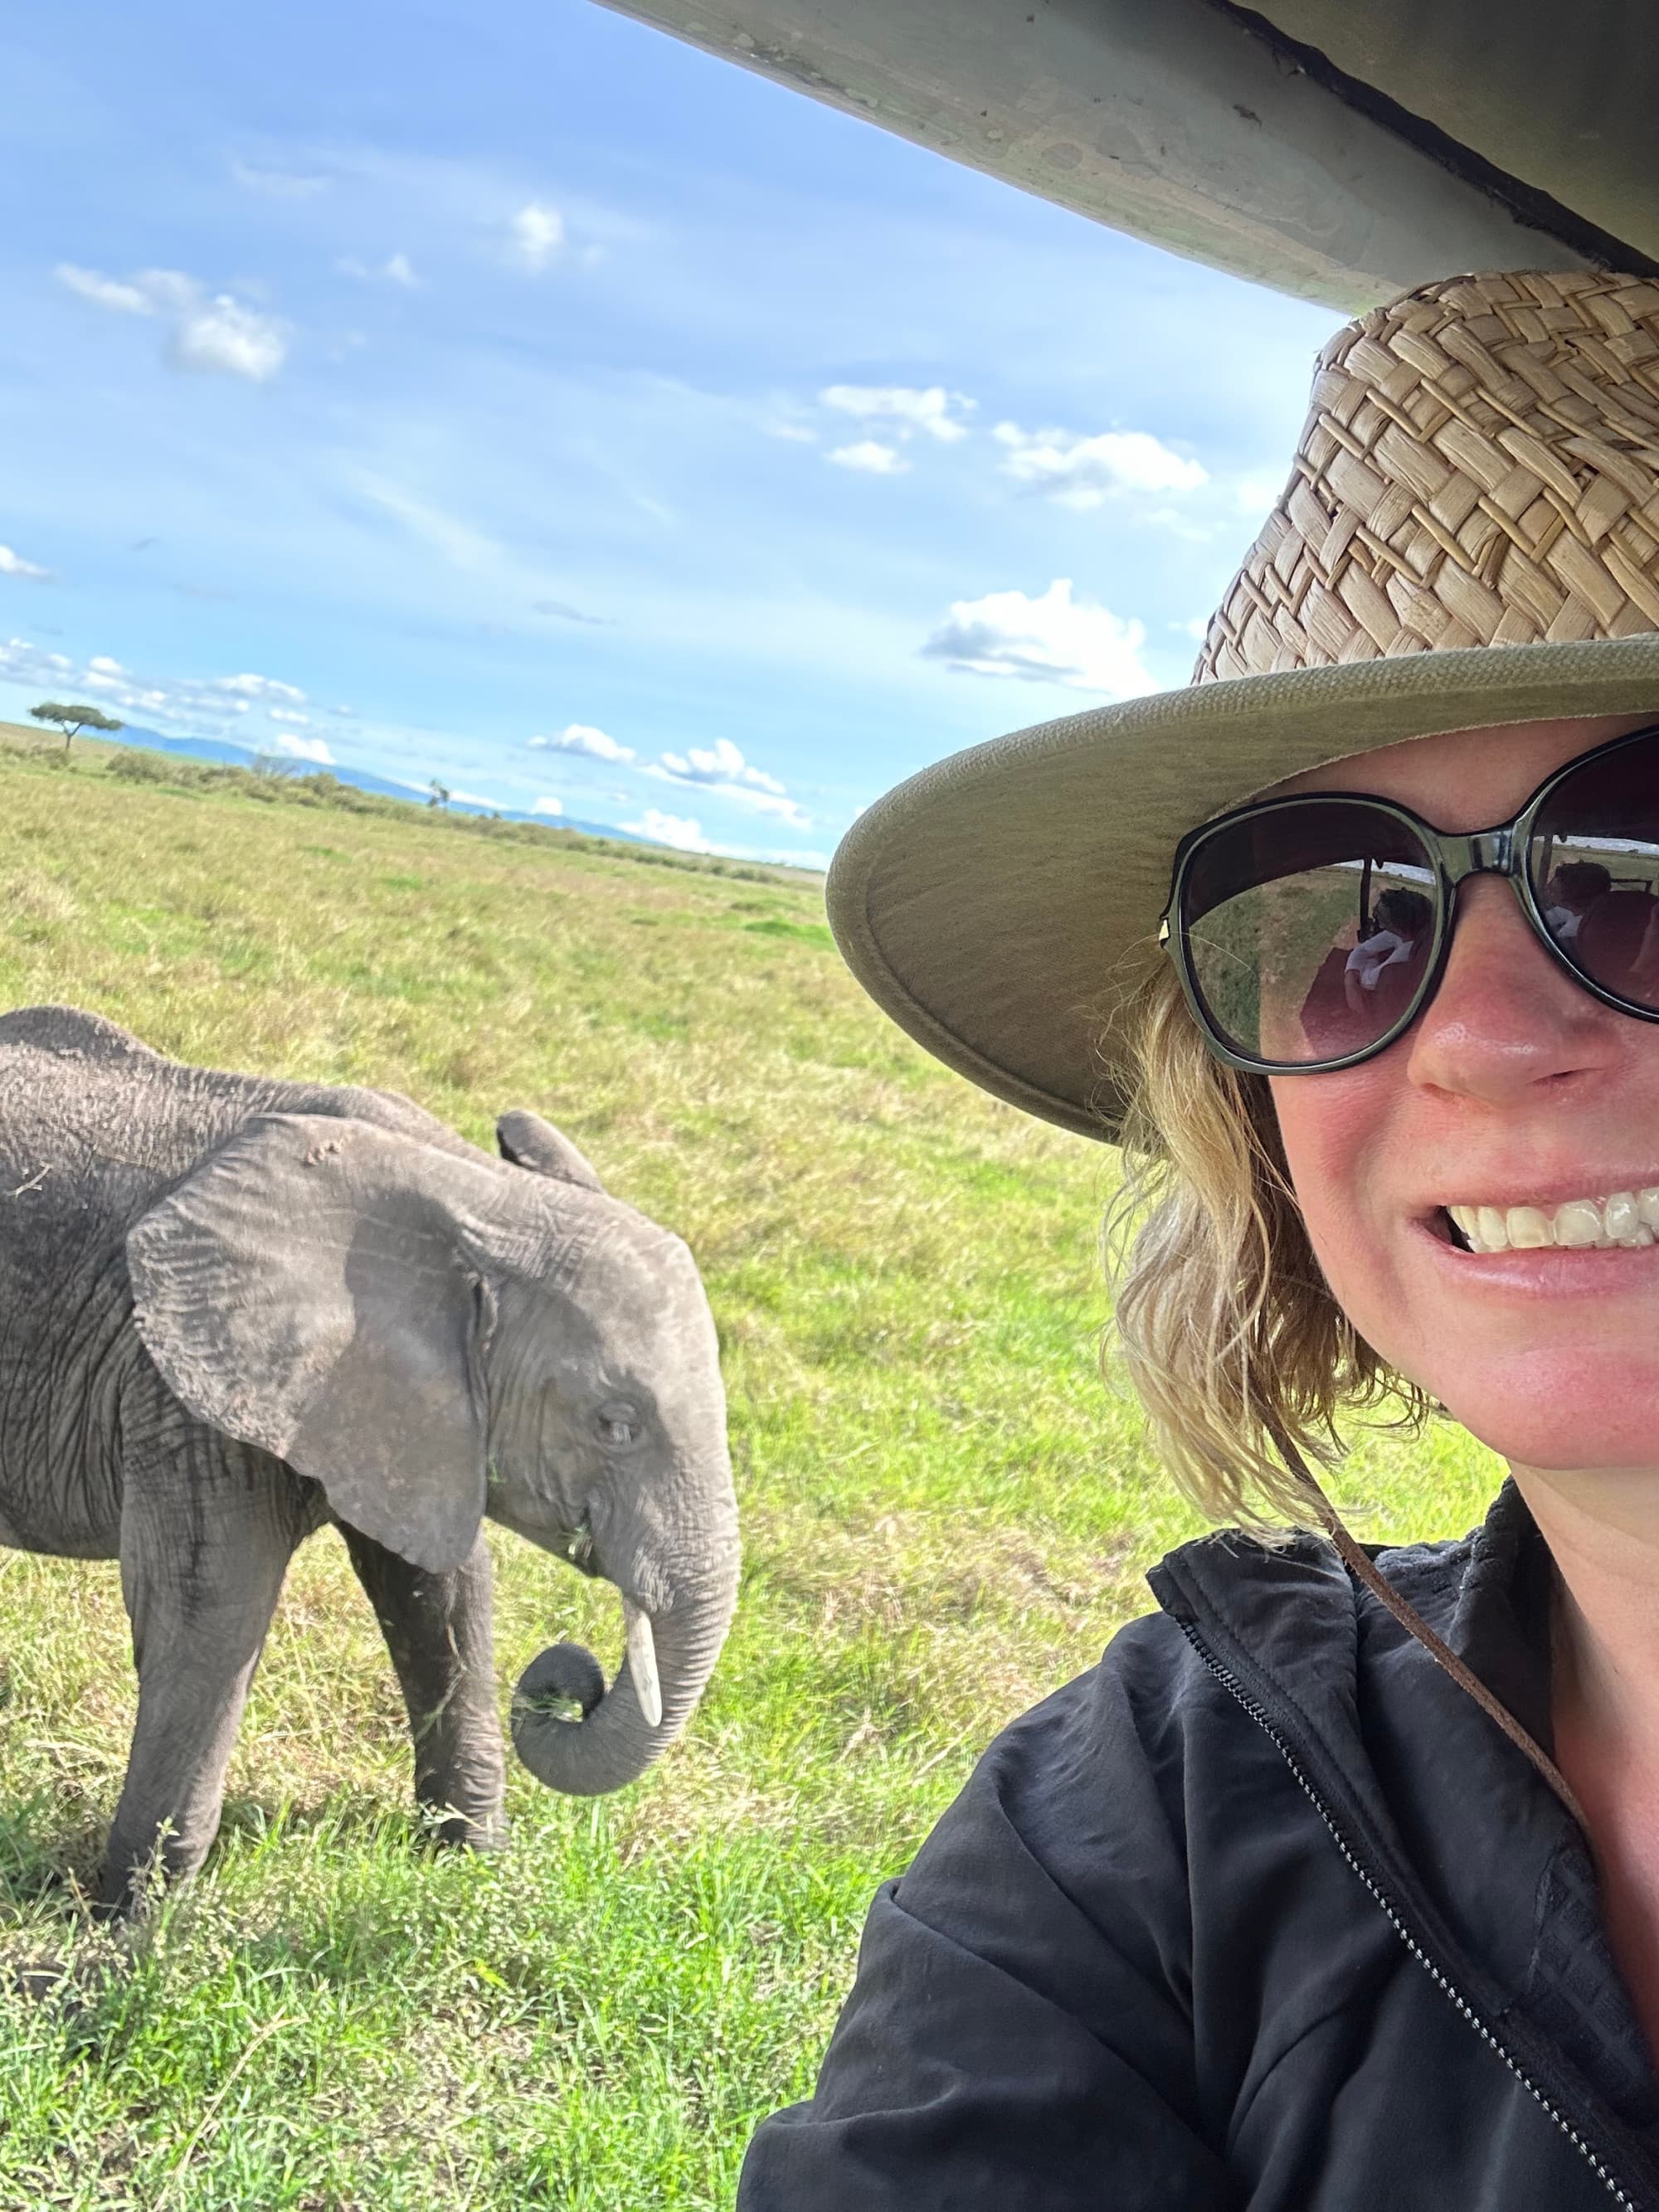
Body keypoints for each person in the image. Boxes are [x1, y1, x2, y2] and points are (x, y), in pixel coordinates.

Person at [739, 271, 1659, 2207]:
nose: (1477, 1038)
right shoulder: (1145, 1816)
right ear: (1247, 1113)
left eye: (1643, 869)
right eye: (1338, 919)